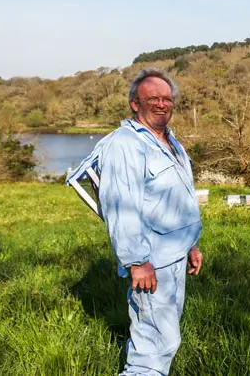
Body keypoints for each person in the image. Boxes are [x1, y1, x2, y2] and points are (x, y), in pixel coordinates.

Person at [69, 68, 202, 375]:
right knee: (153, 347)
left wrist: (191, 245)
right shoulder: (124, 145)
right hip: (151, 259)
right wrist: (136, 262)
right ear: (134, 103)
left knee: (164, 338)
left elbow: (176, 200)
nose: (162, 104)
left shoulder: (170, 141)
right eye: (153, 98)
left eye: (167, 98)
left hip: (174, 254)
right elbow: (120, 208)